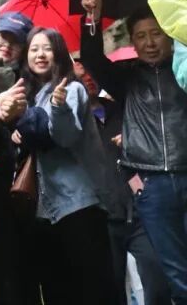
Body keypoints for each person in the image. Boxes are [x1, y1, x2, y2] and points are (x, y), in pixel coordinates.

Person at [80, 0, 187, 304]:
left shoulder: (183, 73)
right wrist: (92, 18)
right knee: (175, 272)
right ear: (133, 42)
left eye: (156, 33)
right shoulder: (126, 79)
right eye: (141, 36)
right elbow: (92, 59)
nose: (150, 42)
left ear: (170, 36)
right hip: (151, 185)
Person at [11, 27, 118, 305]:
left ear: (58, 53)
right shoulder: (30, 96)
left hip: (77, 203)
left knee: (92, 289)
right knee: (57, 290)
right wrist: (17, 135)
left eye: (47, 48)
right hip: (44, 209)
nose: (40, 55)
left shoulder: (71, 89)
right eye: (34, 49)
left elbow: (65, 137)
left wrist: (58, 108)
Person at [71, 56, 172, 305]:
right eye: (81, 77)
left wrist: (131, 143)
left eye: (91, 75)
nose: (88, 80)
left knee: (157, 277)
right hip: (100, 216)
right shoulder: (72, 121)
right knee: (111, 288)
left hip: (136, 209)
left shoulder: (121, 107)